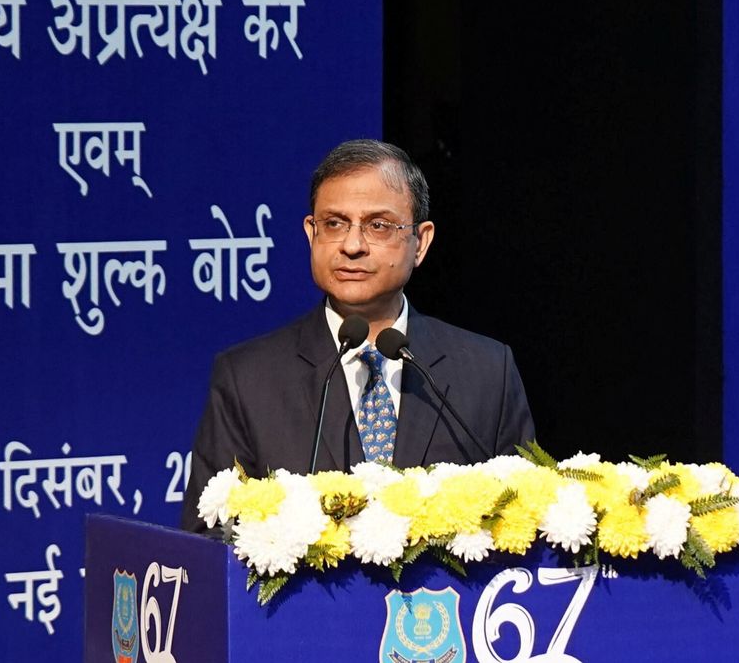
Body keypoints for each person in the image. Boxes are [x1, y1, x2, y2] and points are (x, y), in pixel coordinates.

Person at [180, 139, 536, 532]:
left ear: (421, 242)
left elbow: (526, 523)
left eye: (378, 226)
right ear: (310, 233)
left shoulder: (487, 372)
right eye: (334, 224)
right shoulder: (247, 379)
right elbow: (209, 541)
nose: (352, 245)